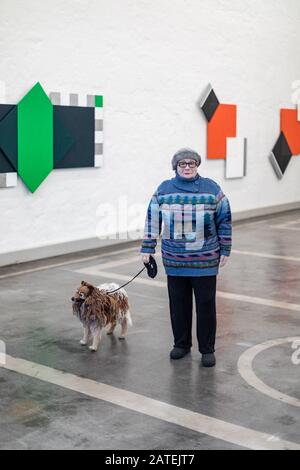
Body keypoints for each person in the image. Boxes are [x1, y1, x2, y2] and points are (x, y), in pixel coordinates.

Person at [140, 148, 232, 367]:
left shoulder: (212, 189)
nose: (188, 167)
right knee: (178, 305)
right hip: (175, 260)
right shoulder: (163, 189)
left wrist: (226, 249)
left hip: (206, 260)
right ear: (176, 167)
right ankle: (181, 344)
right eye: (183, 164)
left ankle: (207, 349)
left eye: (192, 164)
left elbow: (225, 220)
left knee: (206, 305)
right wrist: (147, 247)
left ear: (197, 165)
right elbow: (152, 218)